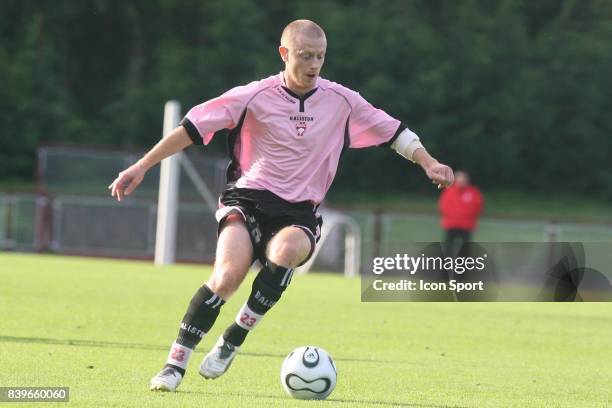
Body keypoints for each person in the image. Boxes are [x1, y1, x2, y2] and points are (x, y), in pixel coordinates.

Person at [109, 19, 454, 392]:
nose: (314, 64)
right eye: (306, 55)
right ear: (284, 53)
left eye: (320, 56)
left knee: (287, 250)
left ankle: (233, 338)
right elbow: (193, 127)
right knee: (227, 275)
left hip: (299, 210)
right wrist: (142, 166)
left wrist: (429, 161)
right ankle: (174, 365)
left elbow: (396, 133)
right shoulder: (254, 95)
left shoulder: (342, 101)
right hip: (248, 199)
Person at [438, 170, 483, 253]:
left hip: (466, 225)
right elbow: (443, 206)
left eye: (463, 178)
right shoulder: (449, 191)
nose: (461, 180)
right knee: (448, 246)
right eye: (459, 178)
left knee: (465, 248)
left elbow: (477, 207)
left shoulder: (473, 192)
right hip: (451, 224)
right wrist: (454, 215)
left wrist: (465, 215)